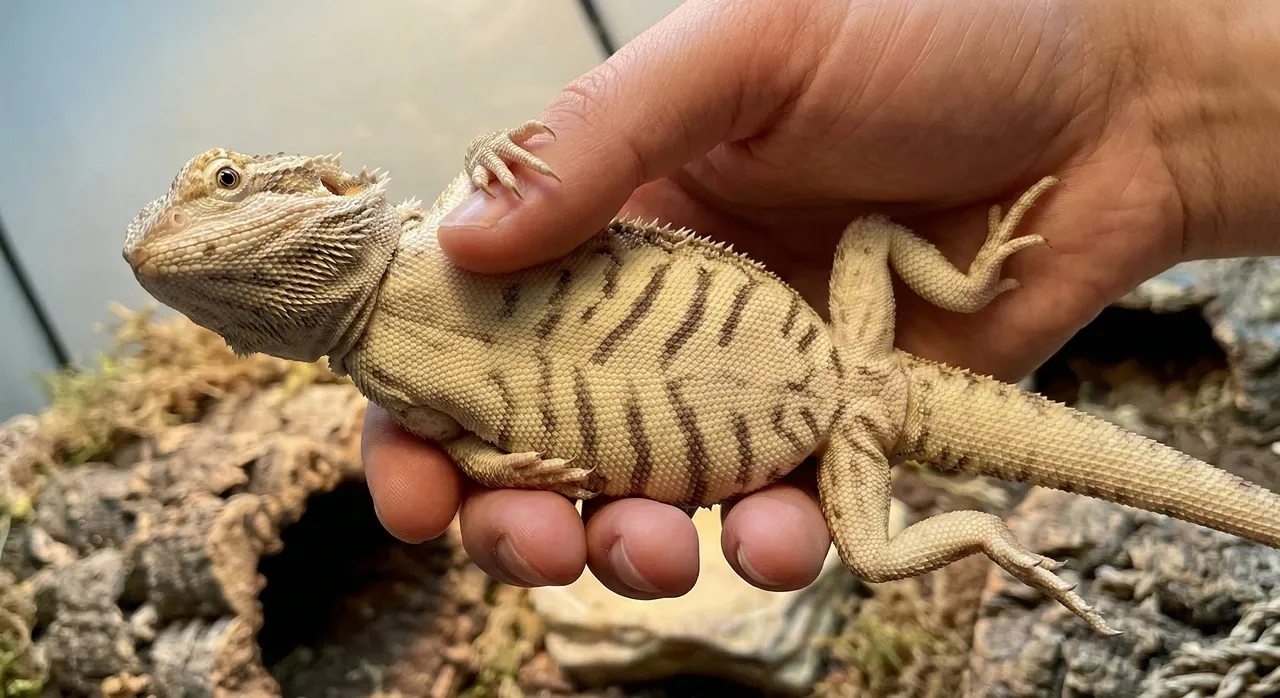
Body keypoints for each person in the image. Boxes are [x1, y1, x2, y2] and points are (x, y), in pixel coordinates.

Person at [359, 0, 1280, 599]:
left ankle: (984, 473)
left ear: (326, 186)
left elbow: (491, 174)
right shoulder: (388, 367)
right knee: (870, 552)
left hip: (848, 363)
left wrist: (488, 152)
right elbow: (467, 444)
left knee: (868, 243)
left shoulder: (441, 228)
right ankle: (987, 536)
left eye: (253, 179)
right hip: (843, 418)